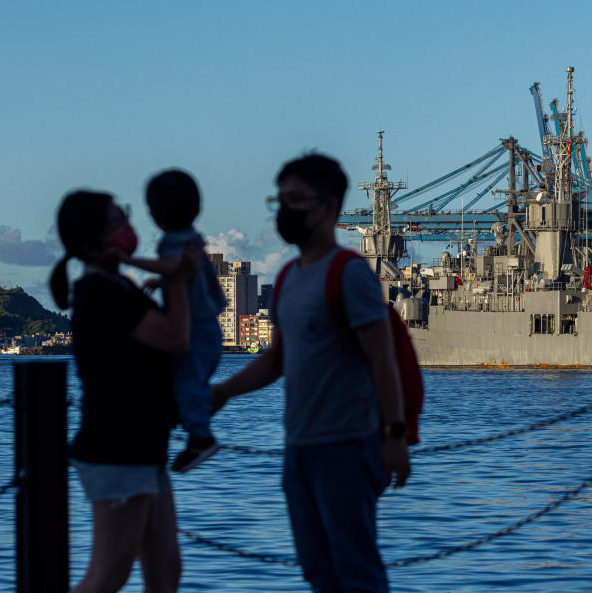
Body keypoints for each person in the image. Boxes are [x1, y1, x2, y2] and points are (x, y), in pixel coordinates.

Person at [212, 153, 410, 593]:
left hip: (347, 448)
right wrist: (223, 392)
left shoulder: (350, 275)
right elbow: (275, 360)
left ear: (329, 206)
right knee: (318, 572)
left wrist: (394, 436)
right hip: (299, 448)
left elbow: (383, 360)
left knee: (356, 572)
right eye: (280, 200)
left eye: (296, 199)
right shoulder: (287, 278)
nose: (285, 210)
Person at [50, 190, 193, 593]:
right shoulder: (102, 293)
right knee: (109, 572)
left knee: (166, 570)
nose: (128, 228)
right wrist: (177, 279)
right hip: (117, 447)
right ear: (95, 241)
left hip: (144, 446)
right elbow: (176, 338)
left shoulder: (116, 286)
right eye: (117, 221)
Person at [122, 168, 225, 473]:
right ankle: (193, 433)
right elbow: (181, 273)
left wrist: (126, 260)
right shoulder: (193, 238)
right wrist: (160, 281)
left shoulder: (173, 243)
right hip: (208, 327)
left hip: (194, 329)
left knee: (186, 384)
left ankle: (201, 438)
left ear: (154, 214)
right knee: (191, 381)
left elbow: (172, 267)